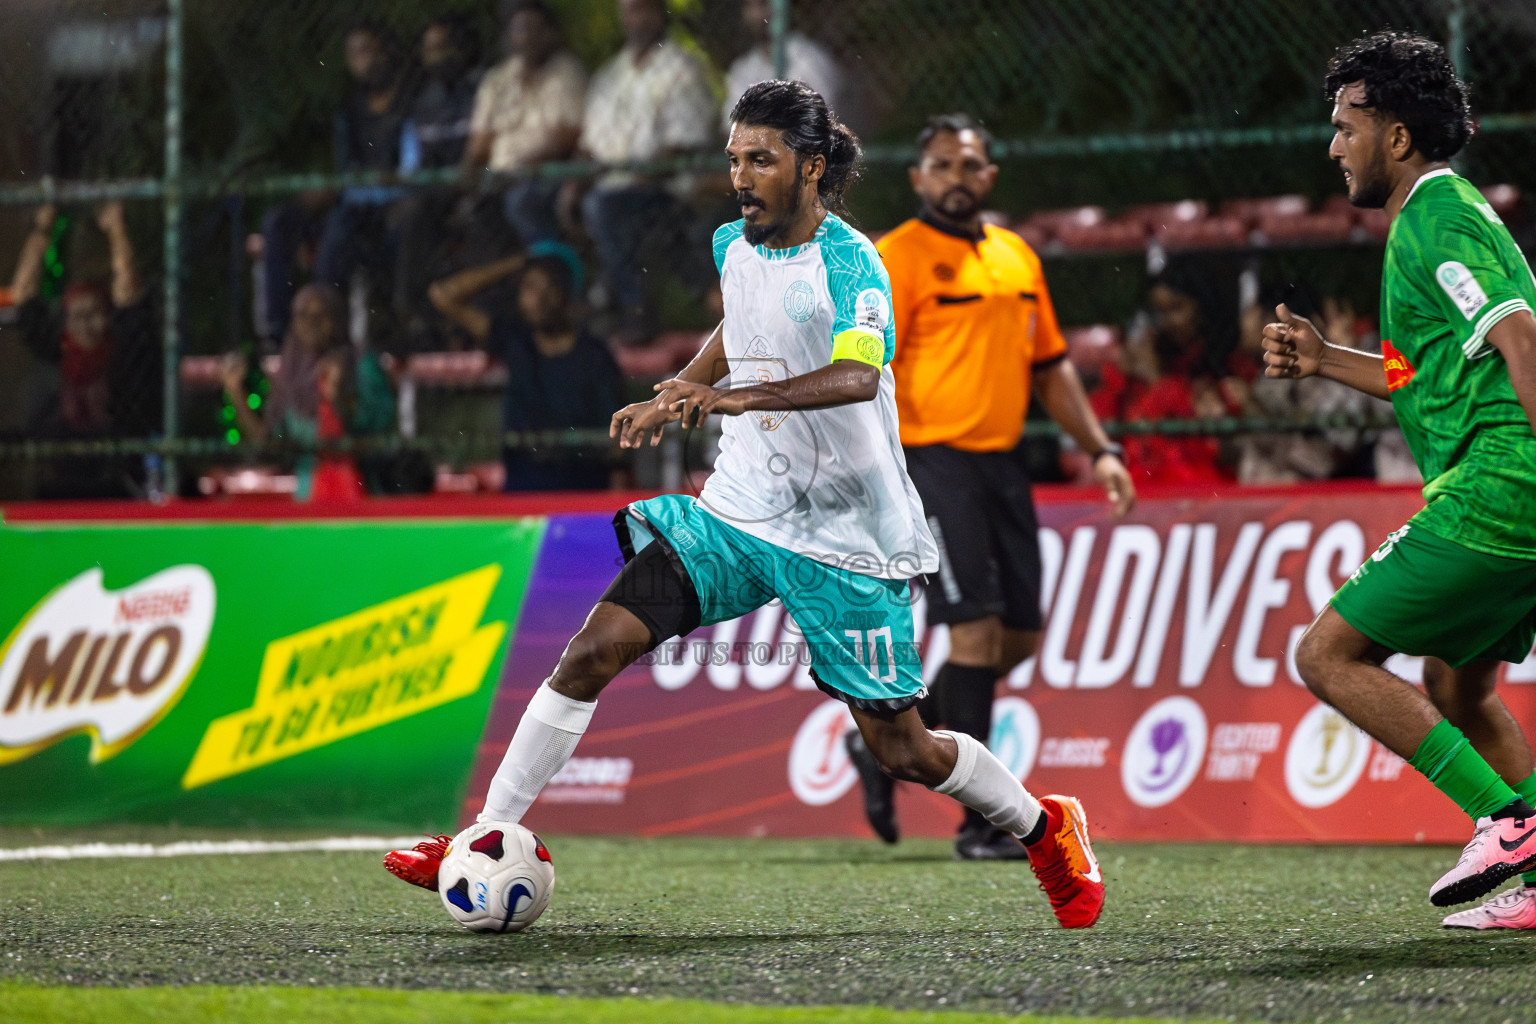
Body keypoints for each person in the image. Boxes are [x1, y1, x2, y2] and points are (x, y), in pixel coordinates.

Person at [384, 81, 1105, 929]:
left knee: (903, 748)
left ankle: (1044, 826)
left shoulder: (852, 261)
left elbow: (860, 375)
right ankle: (486, 831)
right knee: (591, 650)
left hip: (841, 537)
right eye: (733, 159)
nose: (741, 176)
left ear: (810, 166)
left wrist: (739, 401)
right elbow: (740, 326)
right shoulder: (734, 243)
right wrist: (688, 385)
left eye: (759, 159)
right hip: (735, 514)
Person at [1263, 32, 1536, 929]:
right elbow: (1421, 371)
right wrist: (1322, 357)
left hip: (1496, 491)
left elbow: (1521, 337)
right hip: (1498, 488)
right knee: (1458, 686)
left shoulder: (1439, 217)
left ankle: (1507, 822)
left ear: (1398, 138)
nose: (1333, 144)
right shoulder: (1430, 216)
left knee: (1326, 655)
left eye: (1347, 126)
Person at [847, 114, 1133, 860]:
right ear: (917, 178)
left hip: (1005, 464)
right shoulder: (893, 259)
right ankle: (980, 823)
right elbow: (864, 376)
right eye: (939, 165)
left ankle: (883, 741)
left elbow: (1052, 367)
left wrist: (1100, 448)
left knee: (1016, 640)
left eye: (968, 166)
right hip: (930, 463)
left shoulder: (1017, 256)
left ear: (989, 177)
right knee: (972, 633)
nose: (955, 178)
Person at [260, 20, 413, 344]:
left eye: (368, 51)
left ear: (386, 53)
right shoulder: (350, 109)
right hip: (351, 201)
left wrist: (352, 189)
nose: (363, 61)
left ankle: (322, 331)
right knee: (278, 221)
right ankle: (280, 332)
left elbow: (412, 173)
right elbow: (345, 168)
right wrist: (330, 191)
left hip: (385, 207)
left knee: (339, 228)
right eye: (354, 54)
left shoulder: (408, 103)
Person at [570, 0, 715, 333]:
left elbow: (683, 144)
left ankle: (634, 311)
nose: (637, 19)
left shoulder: (683, 67)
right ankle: (589, 305)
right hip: (609, 186)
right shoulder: (610, 75)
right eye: (630, 10)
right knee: (549, 201)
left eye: (644, 9)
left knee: (605, 207)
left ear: (662, 13)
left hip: (665, 189)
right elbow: (589, 146)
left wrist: (636, 178)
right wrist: (572, 185)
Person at [428, 244, 624, 490]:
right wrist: (515, 263)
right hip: (524, 485)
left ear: (567, 295)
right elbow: (443, 295)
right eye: (530, 288)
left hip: (582, 486)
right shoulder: (515, 340)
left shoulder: (594, 356)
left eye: (550, 287)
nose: (540, 299)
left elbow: (618, 435)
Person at [10, 202, 160, 498]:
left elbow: (129, 298)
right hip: (57, 488)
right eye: (76, 316)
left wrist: (116, 229)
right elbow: (23, 296)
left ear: (106, 316)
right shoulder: (57, 351)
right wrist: (41, 230)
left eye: (93, 314)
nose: (85, 324)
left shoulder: (122, 352)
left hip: (119, 485)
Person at [221, 284, 395, 501]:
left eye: (321, 315)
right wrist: (236, 394)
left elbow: (381, 432)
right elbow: (267, 443)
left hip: (363, 493)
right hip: (308, 499)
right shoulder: (290, 374)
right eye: (303, 316)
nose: (312, 323)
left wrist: (338, 395)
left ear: (337, 320)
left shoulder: (361, 364)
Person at [463, 1, 587, 247]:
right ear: (509, 35)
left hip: (547, 172)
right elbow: (478, 145)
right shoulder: (497, 80)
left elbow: (568, 136)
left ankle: (550, 268)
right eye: (521, 29)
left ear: (549, 34)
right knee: (473, 210)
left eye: (536, 29)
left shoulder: (567, 72)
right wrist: (466, 181)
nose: (529, 37)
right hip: (499, 176)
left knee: (522, 201)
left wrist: (520, 168)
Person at [393, 13, 485, 335]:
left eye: (444, 46)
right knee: (410, 215)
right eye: (430, 48)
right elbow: (416, 164)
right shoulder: (423, 102)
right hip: (435, 192)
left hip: (479, 186)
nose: (438, 56)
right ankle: (415, 315)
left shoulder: (482, 90)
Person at [720, 0, 843, 131]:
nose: (757, 14)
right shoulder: (743, 69)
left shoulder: (808, 56)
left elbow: (821, 118)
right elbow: (731, 127)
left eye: (763, 4)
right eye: (750, 6)